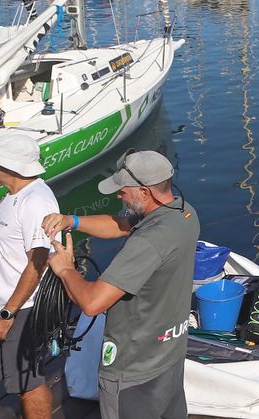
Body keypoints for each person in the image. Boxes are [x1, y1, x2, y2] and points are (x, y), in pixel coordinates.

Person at [41, 151, 199, 419]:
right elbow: (122, 225)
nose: (118, 196)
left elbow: (92, 303)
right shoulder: (183, 211)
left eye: (123, 192)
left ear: (145, 193)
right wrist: (72, 221)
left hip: (133, 369)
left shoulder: (148, 242)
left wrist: (66, 268)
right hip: (169, 355)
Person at [0, 133, 60, 418]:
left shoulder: (35, 202)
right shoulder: (13, 196)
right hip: (9, 303)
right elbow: (2, 251)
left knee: (28, 382)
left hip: (24, 309)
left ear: (8, 167)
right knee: (21, 381)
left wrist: (7, 314)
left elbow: (37, 263)